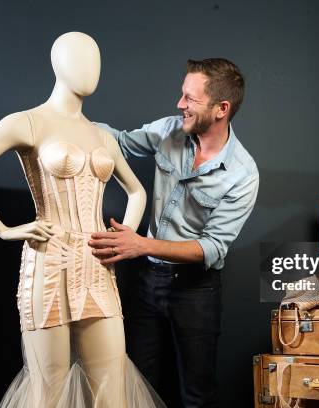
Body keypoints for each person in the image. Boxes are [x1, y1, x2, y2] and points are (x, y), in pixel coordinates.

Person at [0, 32, 164, 408]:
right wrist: (2, 228)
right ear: (58, 64)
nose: (91, 70)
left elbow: (137, 191)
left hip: (96, 268)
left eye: (96, 61)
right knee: (48, 390)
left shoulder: (101, 137)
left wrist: (122, 238)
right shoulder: (27, 123)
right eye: (80, 59)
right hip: (48, 264)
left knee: (112, 387)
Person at [89, 58, 259, 407]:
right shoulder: (170, 129)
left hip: (196, 290)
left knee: (197, 394)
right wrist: (70, 122)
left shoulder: (243, 174)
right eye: (182, 95)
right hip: (148, 279)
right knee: (137, 380)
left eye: (189, 98)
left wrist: (140, 244)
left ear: (221, 109)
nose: (180, 104)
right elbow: (119, 142)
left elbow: (211, 247)